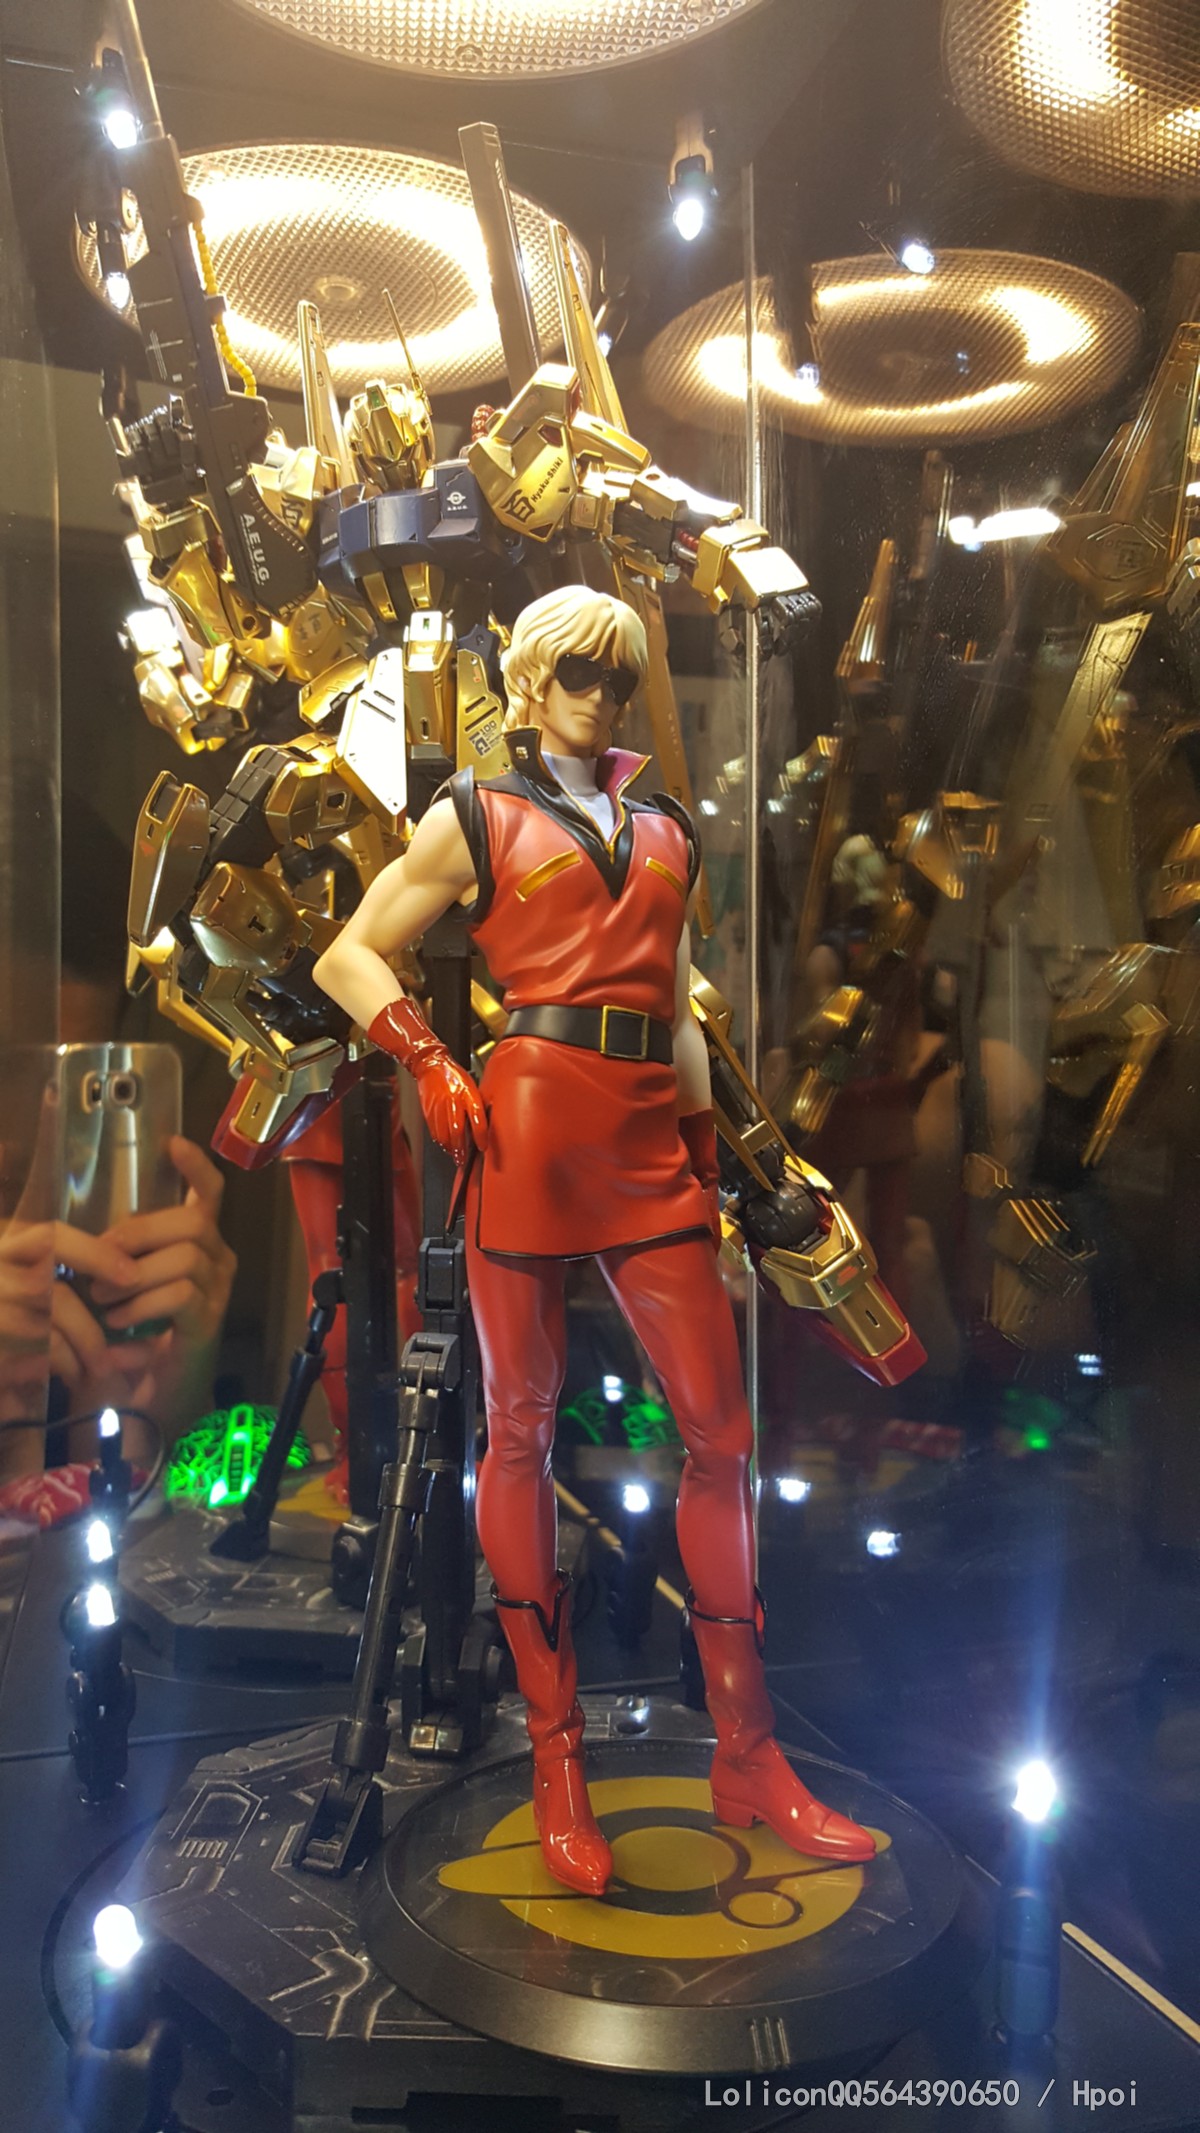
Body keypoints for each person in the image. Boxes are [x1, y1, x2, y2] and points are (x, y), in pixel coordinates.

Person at [311, 586, 876, 1896]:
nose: (600, 695)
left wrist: (711, 1155)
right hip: (527, 1121)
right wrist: (428, 1057)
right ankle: (557, 1761)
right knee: (517, 1428)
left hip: (645, 1135)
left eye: (617, 677)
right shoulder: (475, 812)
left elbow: (677, 1010)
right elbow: (352, 954)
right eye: (577, 671)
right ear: (528, 679)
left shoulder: (666, 825)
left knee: (721, 1432)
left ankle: (749, 1751)